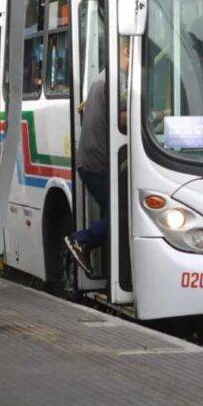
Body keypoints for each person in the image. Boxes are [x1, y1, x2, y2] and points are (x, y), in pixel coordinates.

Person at [63, 37, 129, 277]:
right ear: (125, 51)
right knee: (123, 215)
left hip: (91, 162)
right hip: (99, 164)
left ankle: (111, 273)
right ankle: (80, 241)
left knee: (111, 213)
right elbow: (122, 118)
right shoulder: (117, 79)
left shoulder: (105, 75)